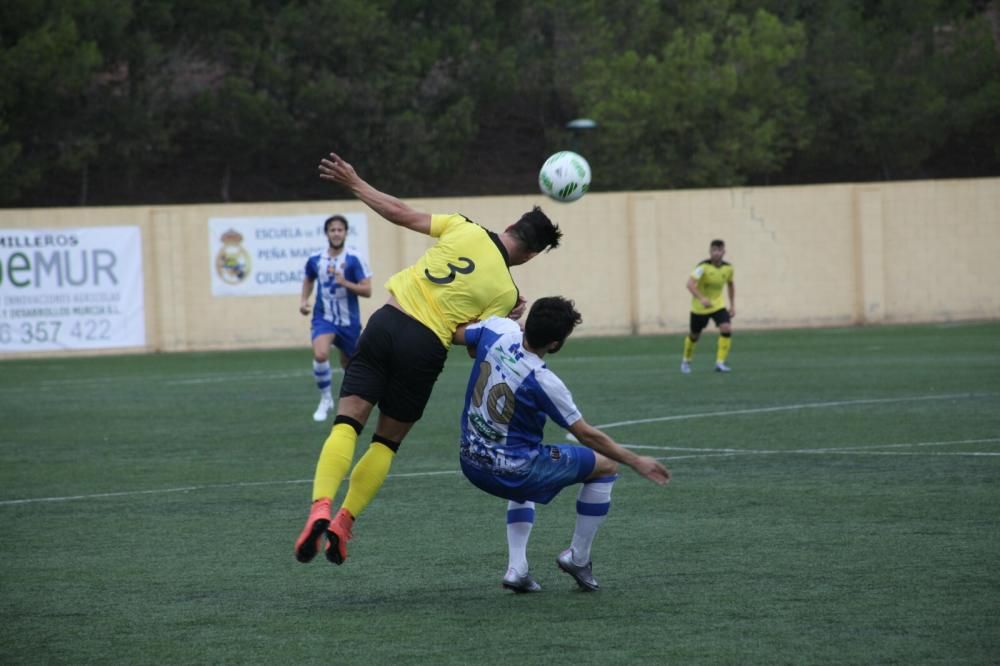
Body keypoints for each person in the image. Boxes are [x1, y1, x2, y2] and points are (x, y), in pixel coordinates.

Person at [294, 151, 562, 566]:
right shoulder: (507, 294)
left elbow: (399, 212)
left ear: (510, 226)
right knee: (386, 441)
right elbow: (469, 341)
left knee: (348, 422)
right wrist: (503, 318)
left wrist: (355, 183)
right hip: (425, 348)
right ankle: (345, 521)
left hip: (387, 322)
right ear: (530, 255)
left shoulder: (463, 226)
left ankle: (320, 507)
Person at [454, 297, 671, 592]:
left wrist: (490, 323)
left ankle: (517, 569)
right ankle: (578, 558)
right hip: (514, 470)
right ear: (556, 343)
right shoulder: (544, 381)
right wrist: (636, 461)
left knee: (522, 458)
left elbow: (458, 334)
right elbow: (586, 434)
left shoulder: (498, 329)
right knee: (605, 465)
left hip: (470, 461)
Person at [299, 214, 373, 422]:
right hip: (324, 318)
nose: (336, 233)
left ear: (346, 233)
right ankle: (325, 399)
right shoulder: (315, 259)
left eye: (340, 229)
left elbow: (367, 290)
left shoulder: (354, 258)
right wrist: (304, 300)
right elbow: (308, 279)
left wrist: (346, 283)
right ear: (327, 233)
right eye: (332, 230)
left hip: (349, 321)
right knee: (321, 354)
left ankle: (350, 404)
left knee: (351, 366)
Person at [681, 239, 735, 374]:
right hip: (700, 308)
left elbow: (730, 284)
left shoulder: (728, 268)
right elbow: (690, 284)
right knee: (694, 336)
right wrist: (701, 298)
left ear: (724, 252)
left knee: (726, 327)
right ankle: (686, 361)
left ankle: (720, 363)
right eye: (713, 250)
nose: (716, 253)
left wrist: (732, 305)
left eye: (719, 250)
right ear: (710, 252)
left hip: (717, 305)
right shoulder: (702, 267)